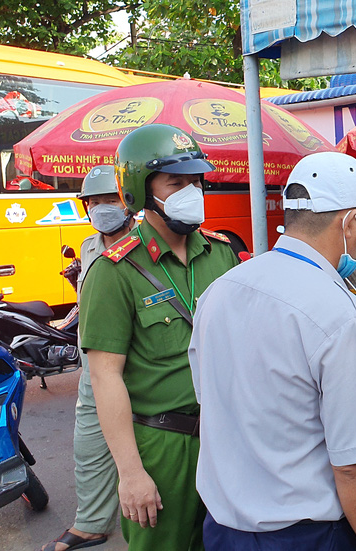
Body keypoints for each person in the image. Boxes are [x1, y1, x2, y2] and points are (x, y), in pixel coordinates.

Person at [189, 151, 356, 551]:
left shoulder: (220, 290)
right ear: (350, 222)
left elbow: (210, 399)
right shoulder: (340, 312)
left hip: (222, 530)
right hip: (306, 536)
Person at [79, 124, 238, 551]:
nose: (192, 191)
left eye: (196, 181)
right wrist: (131, 473)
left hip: (226, 438)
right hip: (162, 446)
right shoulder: (114, 272)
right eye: (177, 182)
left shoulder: (221, 253)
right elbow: (105, 377)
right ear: (140, 190)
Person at [40, 166, 135, 551]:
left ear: (128, 202)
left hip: (135, 367)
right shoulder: (89, 246)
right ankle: (92, 524)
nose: (101, 209)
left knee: (145, 451)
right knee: (89, 447)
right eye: (93, 203)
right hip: (93, 367)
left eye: (109, 200)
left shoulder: (148, 245)